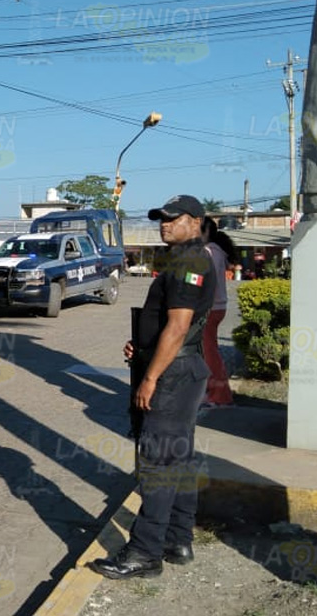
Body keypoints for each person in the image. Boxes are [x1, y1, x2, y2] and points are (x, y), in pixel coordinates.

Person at [90, 195, 215, 581]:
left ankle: (144, 553)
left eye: (173, 219)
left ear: (195, 222)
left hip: (172, 377)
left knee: (158, 464)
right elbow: (172, 327)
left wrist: (149, 376)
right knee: (178, 459)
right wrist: (143, 348)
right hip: (180, 369)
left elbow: (178, 327)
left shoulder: (190, 262)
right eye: (161, 218)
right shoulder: (188, 260)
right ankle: (178, 540)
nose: (164, 224)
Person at [201, 217, 237, 410]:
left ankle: (219, 395)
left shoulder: (209, 252)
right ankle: (214, 392)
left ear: (204, 232)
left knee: (209, 353)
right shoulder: (216, 251)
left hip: (210, 308)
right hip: (216, 307)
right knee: (209, 351)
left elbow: (207, 280)